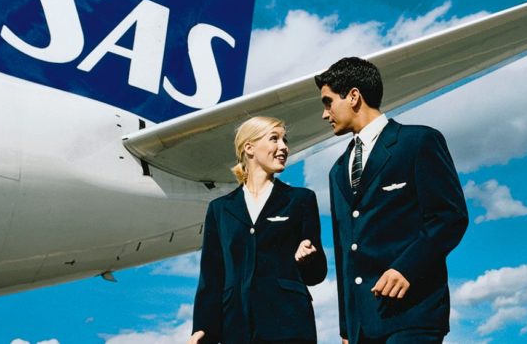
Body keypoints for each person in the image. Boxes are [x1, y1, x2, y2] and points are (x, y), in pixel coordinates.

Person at [314, 57, 468, 344]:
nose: (325, 114)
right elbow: (345, 250)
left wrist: (406, 268)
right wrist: (347, 328)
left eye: (328, 101)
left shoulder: (418, 141)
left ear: (354, 96)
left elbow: (449, 217)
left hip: (412, 313)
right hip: (363, 326)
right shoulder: (337, 170)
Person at [189, 116, 327, 344]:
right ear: (249, 148)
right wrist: (202, 328)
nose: (284, 147)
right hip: (236, 329)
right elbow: (211, 277)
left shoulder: (301, 200)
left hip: (289, 327)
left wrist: (308, 258)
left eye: (285, 140)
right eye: (274, 139)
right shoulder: (220, 209)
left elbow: (316, 274)